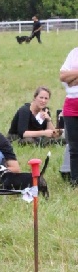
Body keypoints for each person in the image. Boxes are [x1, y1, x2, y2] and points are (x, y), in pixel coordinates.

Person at [59, 47, 78, 186]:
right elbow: (63, 77)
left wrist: (72, 78)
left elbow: (69, 80)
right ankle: (75, 180)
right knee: (73, 147)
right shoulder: (74, 53)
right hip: (71, 106)